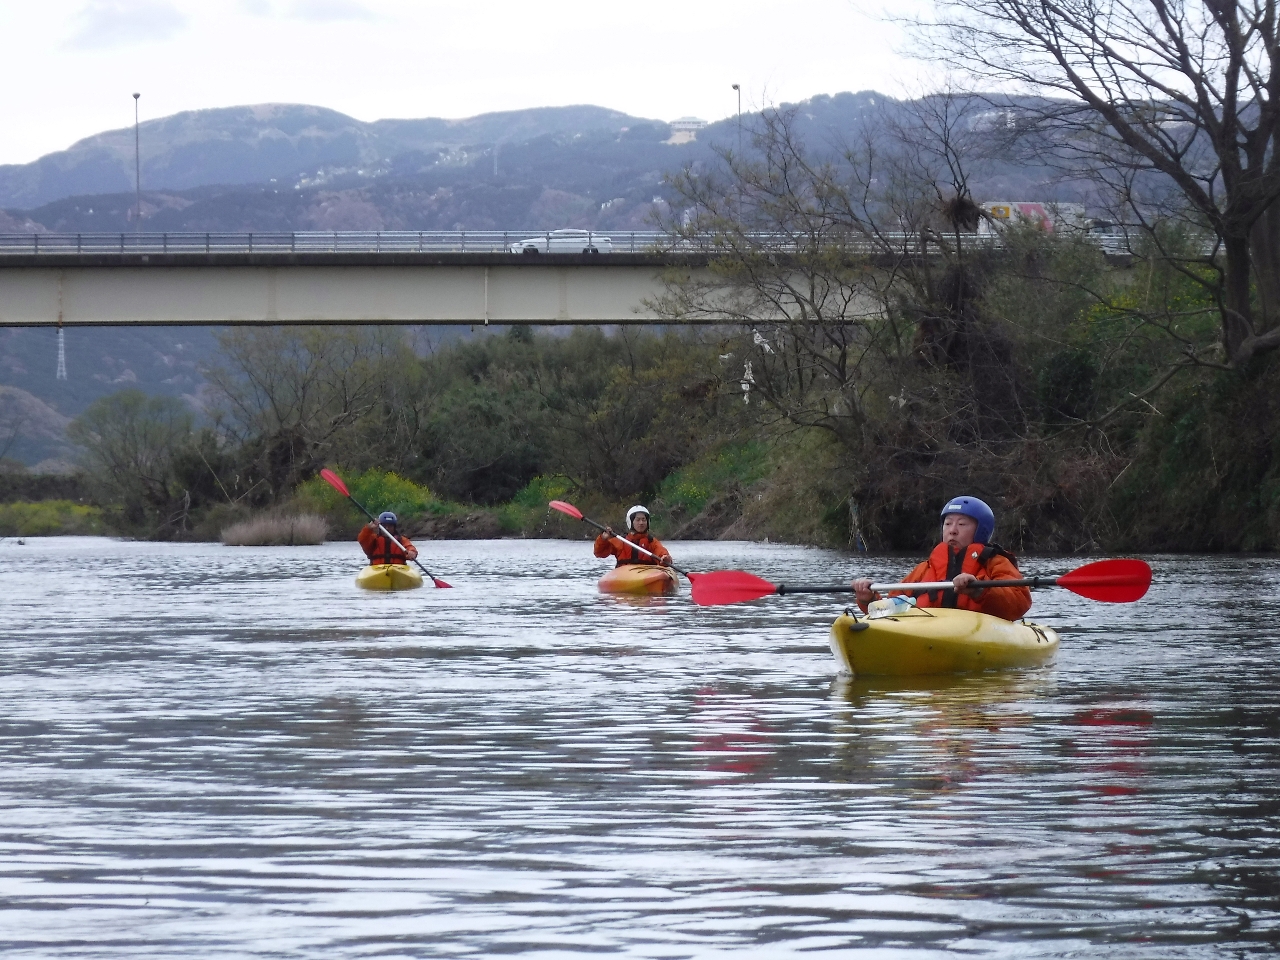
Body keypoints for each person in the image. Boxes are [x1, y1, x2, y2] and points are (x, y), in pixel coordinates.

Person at [852, 496, 1031, 621]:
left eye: (962, 524)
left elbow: (1019, 601)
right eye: (948, 523)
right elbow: (893, 605)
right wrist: (869, 599)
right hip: (929, 631)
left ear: (980, 530)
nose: (952, 530)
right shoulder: (925, 568)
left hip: (980, 630)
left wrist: (979, 590)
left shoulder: (996, 562)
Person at [595, 505, 672, 567]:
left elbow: (661, 552)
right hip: (624, 576)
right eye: (637, 520)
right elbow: (599, 553)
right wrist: (603, 539)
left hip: (646, 575)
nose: (641, 523)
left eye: (644, 520)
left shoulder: (652, 542)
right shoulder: (620, 541)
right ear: (631, 522)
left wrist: (665, 558)